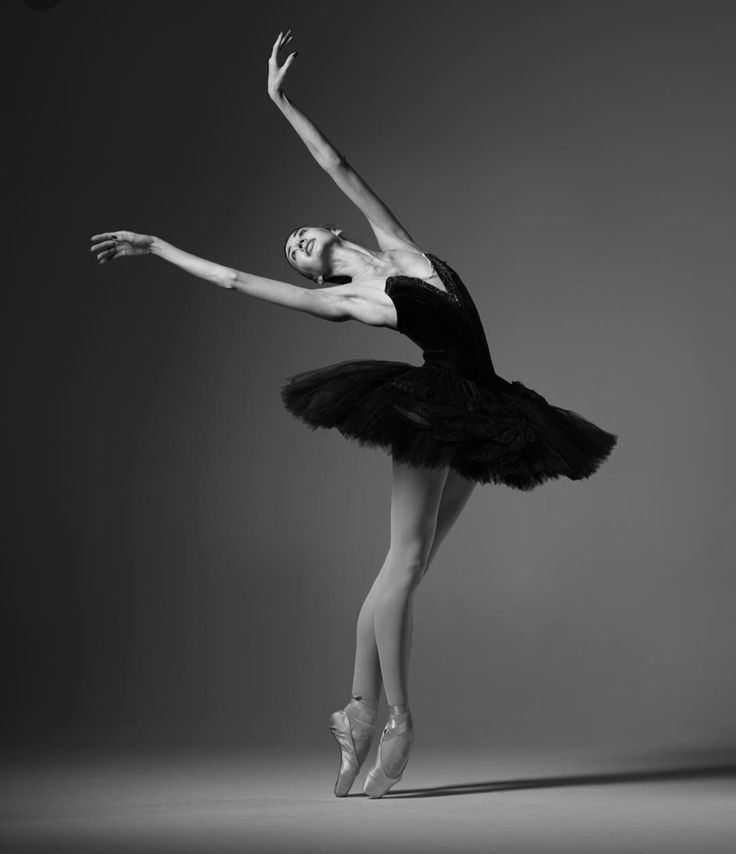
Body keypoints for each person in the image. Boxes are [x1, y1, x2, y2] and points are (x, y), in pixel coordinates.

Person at [90, 30, 618, 799]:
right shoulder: (347, 300)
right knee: (403, 566)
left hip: (490, 403)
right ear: (310, 271)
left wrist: (281, 102)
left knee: (406, 568)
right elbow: (238, 282)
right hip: (433, 405)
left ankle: (355, 714)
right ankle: (397, 719)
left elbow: (336, 165)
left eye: (301, 234)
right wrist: (159, 246)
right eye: (294, 251)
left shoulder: (397, 245)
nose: (298, 242)